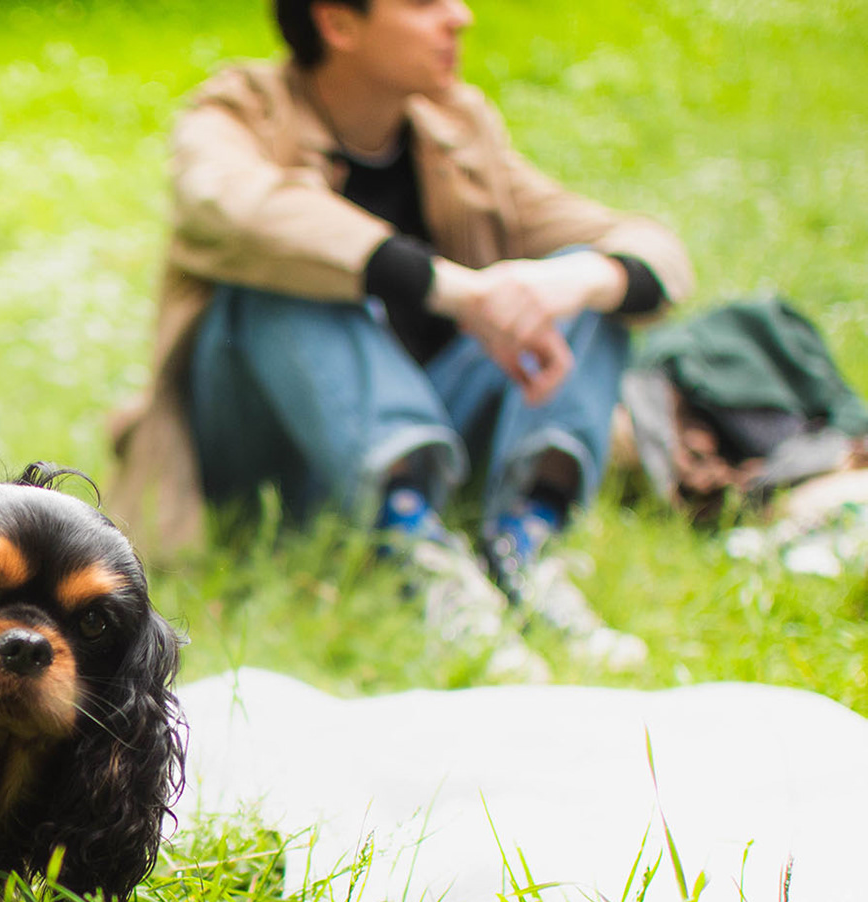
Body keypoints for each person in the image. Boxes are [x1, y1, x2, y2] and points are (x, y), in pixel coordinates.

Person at [107, 0, 692, 670]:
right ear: (337, 23)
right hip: (270, 452)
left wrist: (582, 279)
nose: (459, 16)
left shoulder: (455, 129)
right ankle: (416, 557)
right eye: (422, 3)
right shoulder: (239, 112)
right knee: (286, 265)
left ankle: (524, 546)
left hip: (434, 433)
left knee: (585, 282)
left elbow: (647, 245)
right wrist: (450, 287)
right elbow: (236, 209)